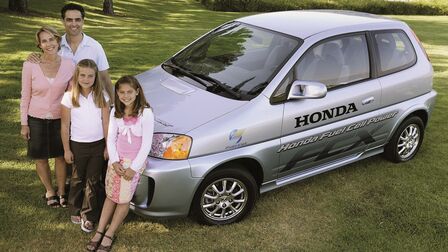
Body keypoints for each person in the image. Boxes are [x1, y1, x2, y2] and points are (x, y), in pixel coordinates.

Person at [86, 76, 154, 252]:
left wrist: (133, 168)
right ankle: (100, 230)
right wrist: (114, 161)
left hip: (133, 165)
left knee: (123, 199)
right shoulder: (116, 110)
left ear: (137, 92)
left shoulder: (145, 113)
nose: (126, 95)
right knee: (110, 196)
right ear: (117, 93)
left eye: (129, 92)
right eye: (122, 92)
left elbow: (146, 144)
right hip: (116, 163)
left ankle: (110, 233)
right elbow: (111, 138)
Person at [20, 25, 75, 208]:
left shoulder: (69, 64)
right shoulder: (30, 65)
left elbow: (72, 94)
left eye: (51, 39)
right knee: (41, 157)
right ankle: (49, 191)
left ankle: (61, 191)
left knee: (60, 156)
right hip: (35, 118)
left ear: (58, 40)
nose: (49, 43)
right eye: (44, 41)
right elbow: (25, 95)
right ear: (39, 45)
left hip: (60, 118)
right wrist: (24, 123)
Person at [61, 59, 110, 233]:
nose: (86, 79)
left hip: (97, 145)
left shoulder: (102, 96)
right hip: (77, 145)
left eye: (90, 76)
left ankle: (88, 215)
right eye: (82, 75)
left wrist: (107, 147)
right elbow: (65, 125)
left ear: (96, 77)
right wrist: (67, 149)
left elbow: (106, 123)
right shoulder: (69, 97)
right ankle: (75, 208)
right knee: (77, 179)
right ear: (77, 76)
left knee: (93, 181)